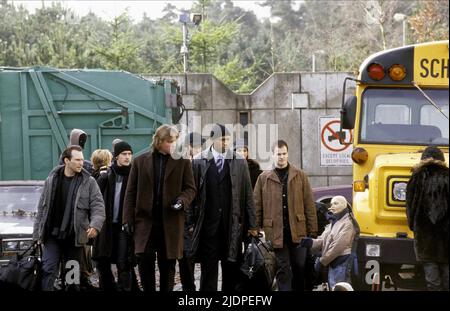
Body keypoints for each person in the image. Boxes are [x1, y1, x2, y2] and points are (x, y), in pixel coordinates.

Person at [123, 125, 196, 291]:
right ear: (159, 141)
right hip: (145, 223)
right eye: (169, 142)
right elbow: (130, 193)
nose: (173, 145)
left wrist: (181, 201)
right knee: (144, 262)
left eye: (175, 141)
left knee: (168, 266)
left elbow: (190, 188)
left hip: (170, 222)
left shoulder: (182, 162)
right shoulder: (140, 162)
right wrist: (127, 220)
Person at [189, 124, 258, 291]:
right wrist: (190, 223)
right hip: (207, 226)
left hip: (232, 225)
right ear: (213, 140)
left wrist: (252, 225)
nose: (226, 143)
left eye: (228, 139)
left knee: (231, 269)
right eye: (222, 139)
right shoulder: (198, 161)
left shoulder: (240, 162)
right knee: (208, 271)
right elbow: (192, 195)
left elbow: (248, 195)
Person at [33, 145, 105, 291]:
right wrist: (37, 235)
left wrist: (95, 225)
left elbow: (98, 207)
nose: (81, 163)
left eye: (82, 160)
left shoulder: (88, 182)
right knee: (48, 269)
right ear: (66, 160)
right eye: (77, 160)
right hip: (51, 236)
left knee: (72, 276)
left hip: (74, 238)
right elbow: (41, 209)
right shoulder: (51, 179)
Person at [254, 139, 318, 291]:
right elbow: (257, 205)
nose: (281, 157)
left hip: (299, 230)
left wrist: (312, 230)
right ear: (273, 155)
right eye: (278, 154)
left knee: (299, 267)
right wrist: (254, 227)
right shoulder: (264, 178)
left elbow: (309, 204)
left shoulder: (300, 176)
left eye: (284, 154)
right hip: (276, 232)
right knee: (283, 268)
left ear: (288, 154)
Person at [92, 141, 139, 291]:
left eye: (129, 154)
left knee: (123, 263)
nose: (127, 157)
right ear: (116, 156)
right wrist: (101, 177)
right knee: (102, 261)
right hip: (106, 226)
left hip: (124, 227)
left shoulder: (134, 174)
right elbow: (95, 196)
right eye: (124, 154)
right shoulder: (107, 174)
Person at [406, 146, 448, 291]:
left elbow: (410, 208)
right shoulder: (447, 176)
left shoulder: (416, 178)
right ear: (441, 160)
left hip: (425, 237)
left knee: (432, 281)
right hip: (446, 237)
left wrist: (414, 226)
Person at [300, 196, 357, 289]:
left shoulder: (348, 223)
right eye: (331, 204)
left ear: (344, 205)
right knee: (333, 287)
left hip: (342, 262)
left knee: (340, 287)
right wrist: (310, 242)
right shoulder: (334, 222)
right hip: (333, 262)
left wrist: (322, 261)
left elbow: (338, 247)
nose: (332, 206)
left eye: (336, 203)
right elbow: (323, 240)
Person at [178, 132, 205, 291]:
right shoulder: (183, 165)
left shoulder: (202, 164)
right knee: (186, 258)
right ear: (189, 147)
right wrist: (189, 222)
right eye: (196, 146)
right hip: (187, 220)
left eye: (200, 146)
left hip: (201, 219)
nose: (199, 149)